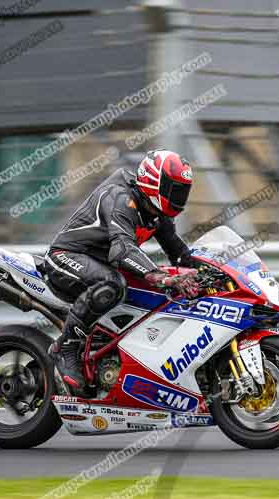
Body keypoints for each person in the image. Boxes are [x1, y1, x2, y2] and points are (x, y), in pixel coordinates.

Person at [44, 149, 200, 394]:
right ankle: (65, 349)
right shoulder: (120, 198)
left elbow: (178, 252)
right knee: (113, 284)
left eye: (182, 190)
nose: (179, 196)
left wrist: (206, 273)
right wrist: (160, 276)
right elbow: (122, 250)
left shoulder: (155, 213)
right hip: (65, 257)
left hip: (98, 264)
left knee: (145, 291)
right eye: (174, 189)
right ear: (154, 182)